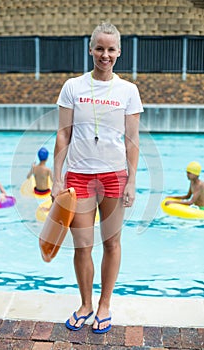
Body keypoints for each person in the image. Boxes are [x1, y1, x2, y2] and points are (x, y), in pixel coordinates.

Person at [51, 22, 143, 334]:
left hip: (114, 176)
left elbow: (132, 140)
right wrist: (57, 178)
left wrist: (131, 181)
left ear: (119, 52)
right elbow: (63, 135)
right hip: (78, 176)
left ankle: (104, 304)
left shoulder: (128, 91)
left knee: (112, 242)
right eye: (100, 48)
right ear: (91, 50)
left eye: (111, 49)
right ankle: (86, 303)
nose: (105, 54)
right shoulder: (72, 87)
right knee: (82, 245)